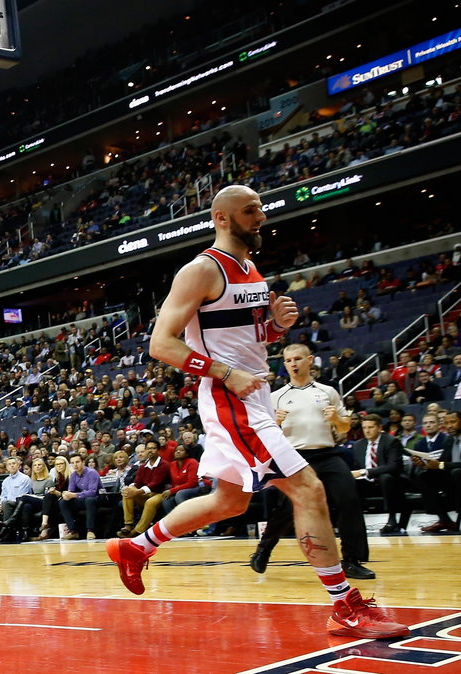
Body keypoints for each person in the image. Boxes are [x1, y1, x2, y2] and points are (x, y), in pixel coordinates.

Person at [106, 184, 407, 639]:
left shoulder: (251, 270)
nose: (261, 217)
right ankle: (345, 607)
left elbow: (247, 339)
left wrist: (274, 326)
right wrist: (226, 373)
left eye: (261, 209)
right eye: (251, 211)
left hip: (253, 393)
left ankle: (136, 547)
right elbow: (161, 344)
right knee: (309, 490)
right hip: (233, 398)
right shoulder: (201, 269)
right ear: (223, 218)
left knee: (230, 500)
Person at [249, 344, 374, 580]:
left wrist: (337, 418)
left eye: (298, 359)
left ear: (310, 360)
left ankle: (352, 560)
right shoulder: (275, 397)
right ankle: (263, 550)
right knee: (286, 508)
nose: (293, 364)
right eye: (288, 360)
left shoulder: (328, 391)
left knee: (349, 498)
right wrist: (273, 423)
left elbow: (345, 427)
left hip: (327, 454)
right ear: (284, 364)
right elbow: (261, 435)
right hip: (294, 457)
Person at [351, 416, 411, 535]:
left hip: (392, 481)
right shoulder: (358, 445)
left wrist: (366, 472)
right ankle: (352, 522)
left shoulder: (391, 441)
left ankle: (392, 519)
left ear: (379, 428)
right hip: (368, 483)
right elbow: (356, 467)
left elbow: (392, 467)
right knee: (348, 483)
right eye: (364, 428)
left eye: (371, 427)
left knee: (385, 477)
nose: (367, 431)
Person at [57, 453, 101, 540]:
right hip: (83, 499)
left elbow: (93, 492)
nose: (75, 465)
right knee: (63, 502)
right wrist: (66, 494)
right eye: (72, 463)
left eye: (77, 462)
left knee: (89, 500)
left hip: (97, 498)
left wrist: (74, 495)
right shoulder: (73, 475)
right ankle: (73, 531)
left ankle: (90, 531)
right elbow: (71, 491)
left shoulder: (92, 473)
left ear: (83, 462)